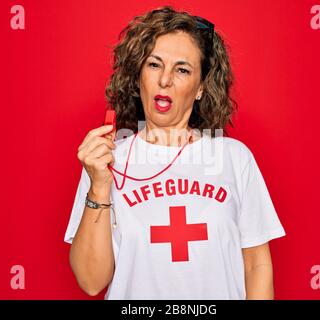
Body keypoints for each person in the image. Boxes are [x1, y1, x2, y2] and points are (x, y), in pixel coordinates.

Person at [64, 6, 286, 300]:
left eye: (182, 69)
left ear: (201, 88)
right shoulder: (106, 160)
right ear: (138, 75)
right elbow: (91, 281)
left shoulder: (234, 158)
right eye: (154, 65)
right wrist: (100, 185)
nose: (165, 80)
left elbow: (256, 265)